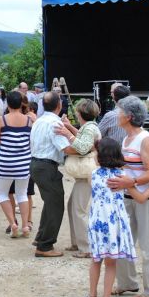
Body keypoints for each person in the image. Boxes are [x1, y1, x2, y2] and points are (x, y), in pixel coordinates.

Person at [86, 138, 149, 297]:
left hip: (97, 223)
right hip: (113, 224)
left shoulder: (94, 174)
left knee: (96, 260)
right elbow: (141, 199)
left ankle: (91, 296)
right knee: (111, 264)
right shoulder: (122, 178)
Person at [106, 96, 149, 297]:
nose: (117, 114)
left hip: (147, 197)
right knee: (124, 239)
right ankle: (127, 282)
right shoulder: (127, 138)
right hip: (129, 194)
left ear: (129, 116)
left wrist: (129, 182)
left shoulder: (145, 139)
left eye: (119, 111)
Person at [55, 99, 102, 258]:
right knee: (73, 206)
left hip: (87, 173)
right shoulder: (90, 127)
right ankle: (77, 243)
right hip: (85, 174)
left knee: (79, 209)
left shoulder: (89, 128)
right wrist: (69, 127)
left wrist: (67, 133)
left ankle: (86, 247)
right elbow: (85, 141)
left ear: (81, 114)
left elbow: (82, 147)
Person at [30, 91, 72, 257]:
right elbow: (66, 148)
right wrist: (86, 147)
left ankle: (41, 237)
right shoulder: (55, 123)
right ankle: (45, 246)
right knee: (55, 204)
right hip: (46, 166)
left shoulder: (39, 120)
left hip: (36, 164)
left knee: (50, 202)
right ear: (59, 105)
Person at [0, 91, 33, 238]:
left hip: (6, 164)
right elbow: (31, 142)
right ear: (21, 103)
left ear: (7, 104)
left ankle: (13, 223)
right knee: (22, 194)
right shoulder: (29, 121)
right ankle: (25, 225)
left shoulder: (2, 120)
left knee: (2, 194)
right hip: (24, 164)